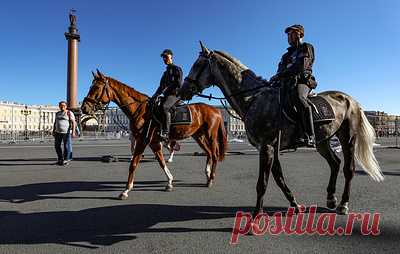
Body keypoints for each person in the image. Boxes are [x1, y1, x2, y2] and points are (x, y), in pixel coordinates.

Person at [270, 24, 317, 147]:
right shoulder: (286, 55)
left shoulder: (306, 47)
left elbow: (301, 66)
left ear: (300, 34)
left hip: (302, 81)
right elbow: (280, 70)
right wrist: (275, 78)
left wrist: (281, 75)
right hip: (286, 83)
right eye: (288, 35)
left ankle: (309, 135)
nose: (289, 37)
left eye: (292, 34)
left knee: (298, 97)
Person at [151, 49, 183, 139]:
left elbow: (179, 84)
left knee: (165, 107)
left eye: (166, 56)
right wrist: (154, 96)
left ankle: (166, 132)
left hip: (175, 95)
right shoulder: (165, 74)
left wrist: (166, 91)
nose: (164, 59)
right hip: (167, 95)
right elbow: (160, 87)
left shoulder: (177, 69)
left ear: (171, 56)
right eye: (163, 57)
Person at [52, 101, 77, 165]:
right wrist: (53, 130)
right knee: (57, 146)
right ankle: (60, 159)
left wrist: (73, 132)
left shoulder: (69, 113)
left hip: (66, 132)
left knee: (66, 146)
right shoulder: (57, 113)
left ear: (66, 106)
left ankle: (66, 159)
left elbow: (74, 122)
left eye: (63, 105)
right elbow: (55, 122)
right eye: (60, 105)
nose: (62, 107)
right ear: (59, 106)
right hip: (57, 132)